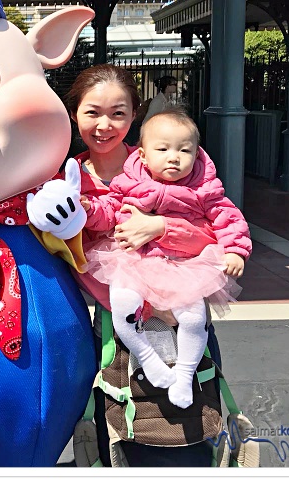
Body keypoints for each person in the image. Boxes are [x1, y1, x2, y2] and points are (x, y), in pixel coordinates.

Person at [62, 64, 225, 466]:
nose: (105, 124)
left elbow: (213, 234)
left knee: (186, 433)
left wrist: (160, 227)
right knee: (121, 439)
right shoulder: (60, 180)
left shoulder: (166, 160)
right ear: (73, 114)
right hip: (112, 322)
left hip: (178, 311)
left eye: (118, 112)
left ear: (134, 115)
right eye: (92, 112)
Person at [79, 108, 251, 409]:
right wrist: (88, 209)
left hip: (182, 267)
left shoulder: (204, 188)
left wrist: (236, 249)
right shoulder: (128, 182)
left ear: (197, 154)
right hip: (136, 263)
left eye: (185, 150)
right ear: (143, 156)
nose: (174, 157)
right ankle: (147, 358)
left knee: (194, 318)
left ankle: (184, 375)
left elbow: (228, 217)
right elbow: (109, 210)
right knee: (122, 306)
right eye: (163, 149)